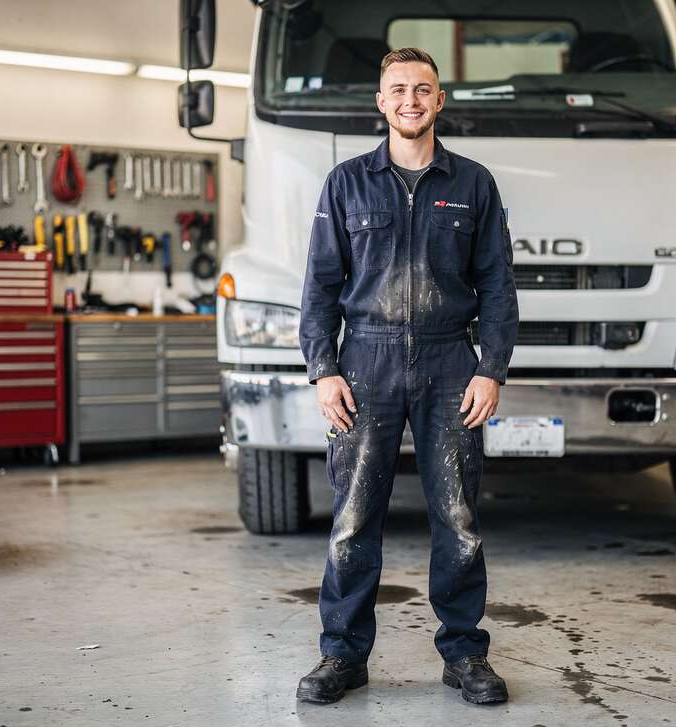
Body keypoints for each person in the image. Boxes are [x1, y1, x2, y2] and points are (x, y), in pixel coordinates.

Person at [296, 47, 519, 705]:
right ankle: (342, 655)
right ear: (381, 101)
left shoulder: (473, 183)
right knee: (354, 516)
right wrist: (323, 369)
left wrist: (491, 368)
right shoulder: (346, 183)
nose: (411, 100)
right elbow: (319, 285)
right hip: (365, 363)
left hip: (452, 363)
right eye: (399, 89)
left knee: (458, 516)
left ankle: (464, 654)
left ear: (440, 101)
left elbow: (498, 284)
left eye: (423, 89)